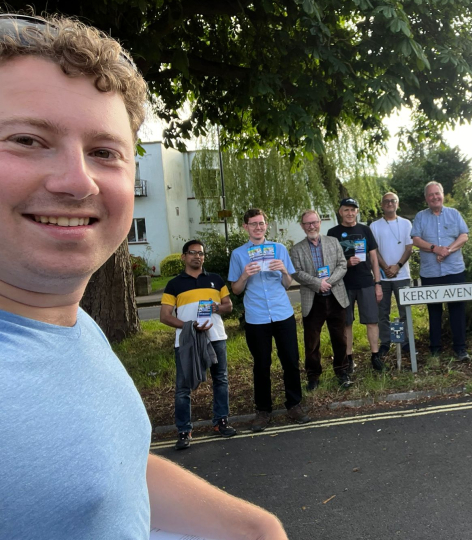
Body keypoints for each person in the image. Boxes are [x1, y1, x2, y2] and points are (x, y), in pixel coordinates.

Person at [0, 13, 287, 539]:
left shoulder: (70, 324)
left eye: (104, 152)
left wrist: (252, 527)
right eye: (26, 140)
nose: (76, 180)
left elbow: (108, 472)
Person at [229, 208, 310, 430]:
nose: (258, 227)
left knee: (291, 361)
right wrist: (244, 275)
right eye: (253, 224)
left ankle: (294, 405)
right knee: (261, 365)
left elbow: (287, 284)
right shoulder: (238, 254)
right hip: (256, 317)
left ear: (266, 225)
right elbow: (235, 290)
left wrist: (285, 271)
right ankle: (263, 411)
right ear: (245, 227)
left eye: (261, 223)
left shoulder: (279, 249)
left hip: (282, 313)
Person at [160, 240, 237, 449]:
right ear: (183, 257)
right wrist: (189, 325)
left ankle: (221, 422)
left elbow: (228, 306)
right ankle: (184, 430)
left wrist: (217, 307)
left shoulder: (215, 280)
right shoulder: (174, 284)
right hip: (187, 339)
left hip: (216, 337)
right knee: (183, 387)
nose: (197, 256)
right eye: (192, 253)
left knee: (220, 379)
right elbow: (165, 316)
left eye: (201, 253)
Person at [290, 209, 352, 389]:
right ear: (302, 226)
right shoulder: (297, 249)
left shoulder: (333, 242)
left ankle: (342, 371)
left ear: (319, 223)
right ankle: (313, 376)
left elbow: (342, 265)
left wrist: (328, 282)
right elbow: (296, 272)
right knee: (311, 342)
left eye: (314, 222)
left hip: (335, 297)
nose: (311, 226)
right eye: (307, 223)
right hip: (313, 300)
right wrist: (318, 284)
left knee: (340, 338)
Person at [411, 181, 470, 360]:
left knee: (457, 310)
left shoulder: (454, 214)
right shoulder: (421, 217)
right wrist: (435, 248)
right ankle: (435, 349)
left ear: (442, 194)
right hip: (430, 273)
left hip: (454, 270)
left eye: (437, 193)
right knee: (434, 311)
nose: (435, 197)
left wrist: (448, 250)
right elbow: (415, 239)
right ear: (426, 198)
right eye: (431, 195)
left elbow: (464, 235)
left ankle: (460, 349)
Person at [327, 198, 386, 372]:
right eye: (346, 210)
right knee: (346, 323)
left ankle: (375, 356)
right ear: (340, 212)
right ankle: (349, 359)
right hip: (342, 284)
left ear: (357, 212)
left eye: (353, 210)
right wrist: (347, 262)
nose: (350, 213)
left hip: (366, 282)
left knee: (372, 321)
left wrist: (378, 283)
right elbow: (330, 260)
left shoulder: (365, 230)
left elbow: (374, 258)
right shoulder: (333, 232)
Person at [369, 192, 413, 357]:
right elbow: (373, 251)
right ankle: (385, 342)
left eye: (393, 201)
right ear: (381, 205)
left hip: (403, 276)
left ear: (397, 204)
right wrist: (386, 267)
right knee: (382, 312)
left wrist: (398, 266)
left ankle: (406, 342)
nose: (389, 203)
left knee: (405, 311)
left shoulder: (406, 224)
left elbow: (409, 248)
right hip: (382, 277)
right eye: (386, 201)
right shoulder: (374, 226)